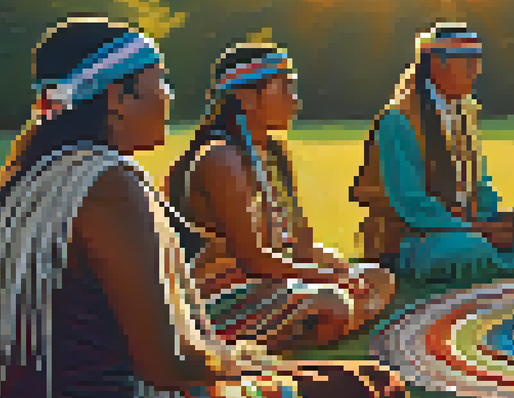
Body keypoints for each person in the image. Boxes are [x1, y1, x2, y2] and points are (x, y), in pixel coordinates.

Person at [0, 16, 439, 398]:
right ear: (118, 96)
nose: (169, 94)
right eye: (158, 80)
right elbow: (166, 363)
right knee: (368, 392)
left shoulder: (31, 177)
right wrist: (241, 360)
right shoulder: (110, 184)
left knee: (321, 375)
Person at [165, 43, 395, 352]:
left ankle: (303, 331)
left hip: (275, 281)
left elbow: (299, 243)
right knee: (331, 301)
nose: (294, 100)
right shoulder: (221, 157)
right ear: (246, 98)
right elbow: (254, 260)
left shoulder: (274, 155)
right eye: (284, 89)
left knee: (377, 278)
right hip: (219, 291)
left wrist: (337, 267)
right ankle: (234, 349)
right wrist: (327, 278)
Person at [352, 23, 514, 283]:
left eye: (476, 61)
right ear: (435, 64)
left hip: (469, 225)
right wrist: (479, 229)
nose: (474, 70)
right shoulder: (398, 120)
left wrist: (501, 219)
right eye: (464, 61)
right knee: (473, 250)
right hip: (411, 238)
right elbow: (411, 205)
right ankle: (500, 262)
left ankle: (499, 260)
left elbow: (480, 186)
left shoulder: (464, 113)